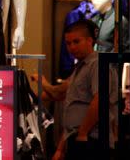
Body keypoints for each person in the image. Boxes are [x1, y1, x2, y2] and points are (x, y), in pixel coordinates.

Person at [32, 19, 117, 160]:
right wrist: (61, 148)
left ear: (90, 41)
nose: (71, 47)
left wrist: (82, 133)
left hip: (92, 140)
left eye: (76, 42)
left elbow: (100, 99)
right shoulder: (80, 68)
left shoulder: (97, 64)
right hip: (78, 139)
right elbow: (65, 98)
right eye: (68, 43)